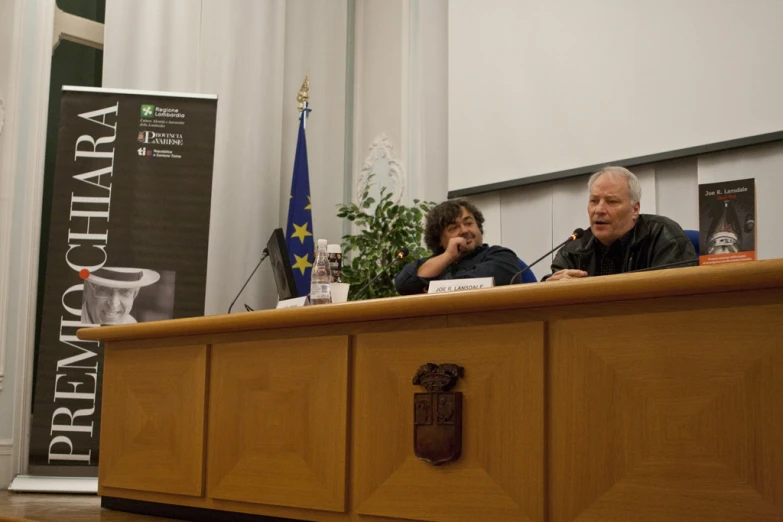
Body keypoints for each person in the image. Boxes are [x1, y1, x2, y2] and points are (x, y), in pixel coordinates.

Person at [546, 166, 697, 281]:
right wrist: (552, 285)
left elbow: (679, 293)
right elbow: (546, 295)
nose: (599, 209)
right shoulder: (574, 248)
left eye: (612, 201)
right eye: (594, 201)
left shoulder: (663, 236)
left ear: (635, 209)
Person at [395, 199, 520, 295]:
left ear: (479, 227)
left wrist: (434, 290)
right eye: (453, 228)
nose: (464, 230)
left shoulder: (501, 256)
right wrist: (448, 256)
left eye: (469, 223)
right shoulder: (432, 263)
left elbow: (477, 283)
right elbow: (403, 284)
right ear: (439, 240)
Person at [81, 267, 161, 324]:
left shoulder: (132, 325)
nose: (114, 304)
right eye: (103, 289)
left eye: (125, 291)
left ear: (135, 294)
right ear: (86, 289)